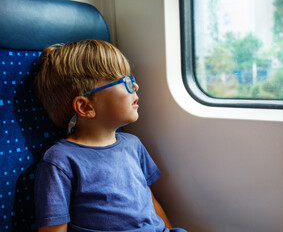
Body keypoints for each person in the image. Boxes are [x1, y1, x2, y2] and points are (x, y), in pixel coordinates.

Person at [34, 39, 186, 232]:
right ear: (86, 106)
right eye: (125, 82)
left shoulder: (133, 144)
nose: (136, 87)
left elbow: (151, 203)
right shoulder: (60, 161)